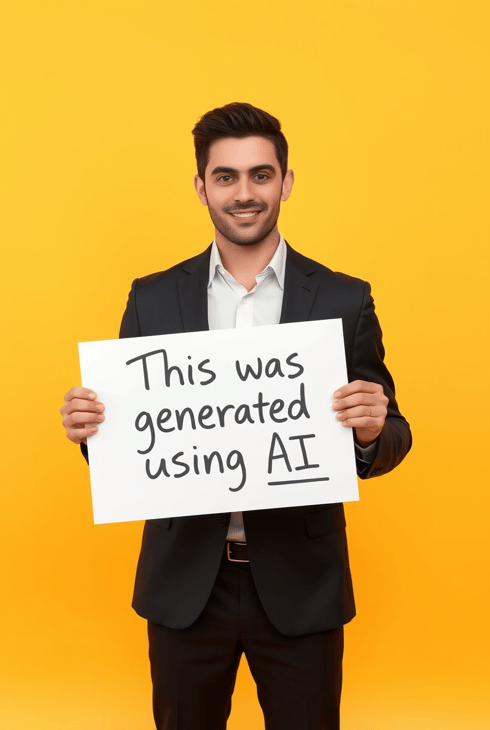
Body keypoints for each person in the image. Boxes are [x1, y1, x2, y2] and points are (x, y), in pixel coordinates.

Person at [61, 102, 412, 730]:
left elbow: (393, 435)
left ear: (286, 181)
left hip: (302, 583)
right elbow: (130, 443)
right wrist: (91, 429)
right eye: (225, 177)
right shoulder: (152, 297)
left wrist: (369, 428)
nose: (244, 193)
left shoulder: (342, 299)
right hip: (186, 584)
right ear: (201, 187)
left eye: (260, 175)